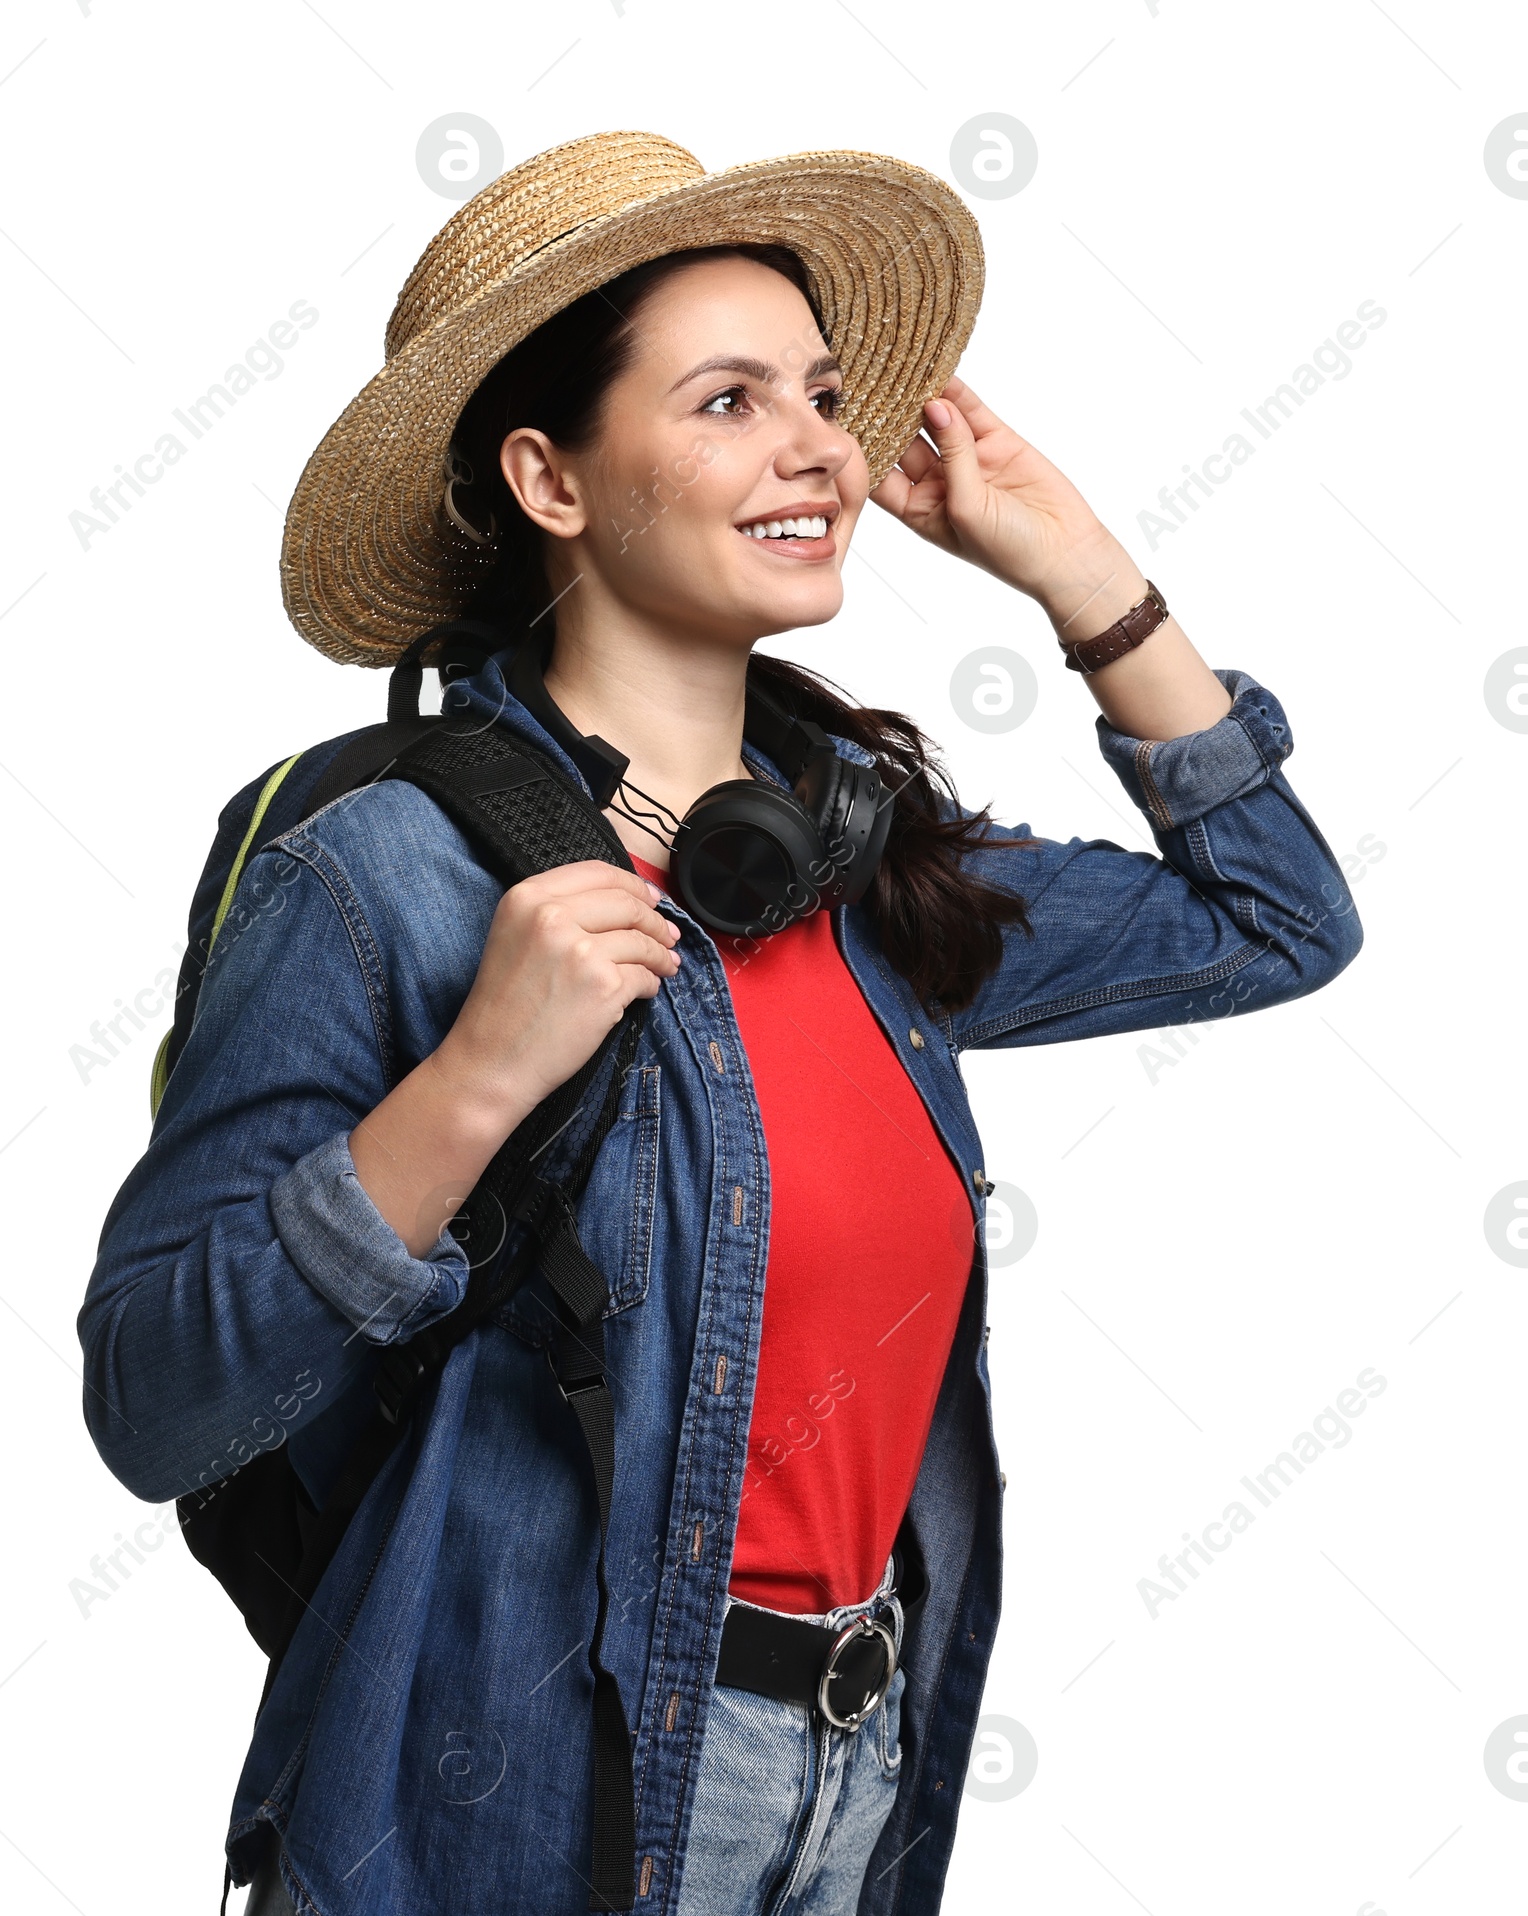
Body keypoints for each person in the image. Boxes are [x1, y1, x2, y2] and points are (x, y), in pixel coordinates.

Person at [78, 132, 1362, 1916]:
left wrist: (1088, 581)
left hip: (857, 1771)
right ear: (551, 478)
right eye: (729, 399)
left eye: (824, 396)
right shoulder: (375, 869)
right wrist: (469, 1085)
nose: (821, 448)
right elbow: (155, 1401)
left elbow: (1280, 919)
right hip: (505, 1804)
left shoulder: (858, 864)